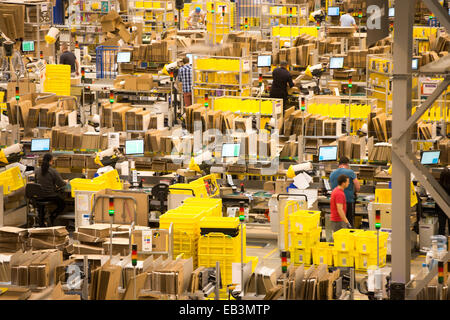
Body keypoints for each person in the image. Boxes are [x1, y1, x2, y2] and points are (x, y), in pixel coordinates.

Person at [34, 153, 67, 226]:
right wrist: (65, 182)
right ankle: (52, 217)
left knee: (41, 208)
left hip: (40, 197)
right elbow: (61, 184)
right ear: (50, 161)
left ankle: (41, 223)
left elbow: (36, 183)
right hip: (50, 195)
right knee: (62, 204)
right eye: (52, 160)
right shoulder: (53, 171)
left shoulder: (37, 171)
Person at [330, 156, 360, 227]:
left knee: (339, 223)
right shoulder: (350, 172)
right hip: (348, 200)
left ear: (339, 164)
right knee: (349, 222)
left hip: (336, 202)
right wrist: (355, 192)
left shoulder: (332, 174)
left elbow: (331, 187)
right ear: (347, 164)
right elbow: (357, 186)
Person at [436, 167, 450, 236]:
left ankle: (441, 245)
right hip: (449, 207)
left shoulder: (438, 184)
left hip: (441, 208)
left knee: (441, 228)